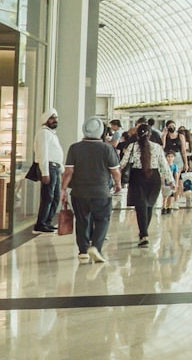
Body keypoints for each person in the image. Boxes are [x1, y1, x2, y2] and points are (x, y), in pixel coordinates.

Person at [61, 117, 121, 263]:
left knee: (81, 220)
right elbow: (115, 171)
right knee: (102, 219)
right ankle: (96, 247)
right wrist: (118, 183)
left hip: (79, 192)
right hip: (101, 192)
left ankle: (82, 251)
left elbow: (68, 172)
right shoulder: (107, 148)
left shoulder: (74, 148)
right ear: (101, 132)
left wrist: (63, 189)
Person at [120, 123, 173, 248]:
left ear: (137, 134)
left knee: (141, 207)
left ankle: (144, 234)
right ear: (150, 135)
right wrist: (171, 181)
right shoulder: (157, 147)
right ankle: (144, 234)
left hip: (137, 177)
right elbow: (164, 165)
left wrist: (114, 174)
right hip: (154, 178)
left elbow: (123, 163)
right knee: (149, 206)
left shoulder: (132, 146)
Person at [32, 108, 64, 235]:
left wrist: (60, 168)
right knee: (48, 197)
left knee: (55, 197)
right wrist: (45, 172)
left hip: (55, 168)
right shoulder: (44, 133)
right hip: (48, 168)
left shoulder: (50, 133)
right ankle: (40, 223)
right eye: (52, 118)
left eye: (56, 118)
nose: (54, 120)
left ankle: (47, 221)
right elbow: (43, 153)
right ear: (46, 120)